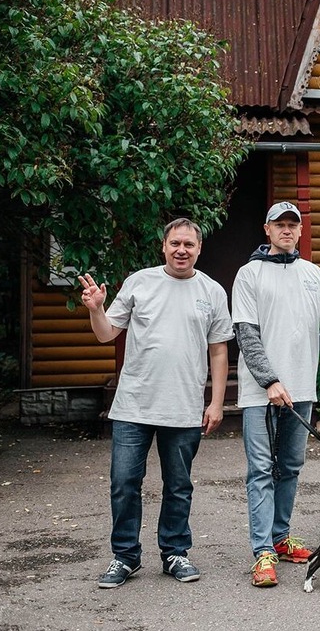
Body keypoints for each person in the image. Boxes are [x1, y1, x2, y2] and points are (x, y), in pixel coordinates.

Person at [81, 218, 233, 589]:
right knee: (124, 482)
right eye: (175, 243)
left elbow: (218, 351)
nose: (182, 250)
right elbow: (105, 334)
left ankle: (175, 552)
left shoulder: (211, 291)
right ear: (163, 246)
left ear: (199, 249)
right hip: (134, 405)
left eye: (189, 245)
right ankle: (125, 557)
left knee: (178, 485)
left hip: (182, 407)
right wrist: (95, 309)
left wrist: (216, 403)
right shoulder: (139, 282)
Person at [233, 201, 320, 587]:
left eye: (293, 224)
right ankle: (262, 552)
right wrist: (268, 380)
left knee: (290, 468)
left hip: (301, 388)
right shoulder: (249, 274)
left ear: (300, 231)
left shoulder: (312, 274)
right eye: (279, 224)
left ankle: (280, 538)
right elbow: (246, 334)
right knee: (260, 472)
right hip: (260, 392)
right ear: (266, 229)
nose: (287, 230)